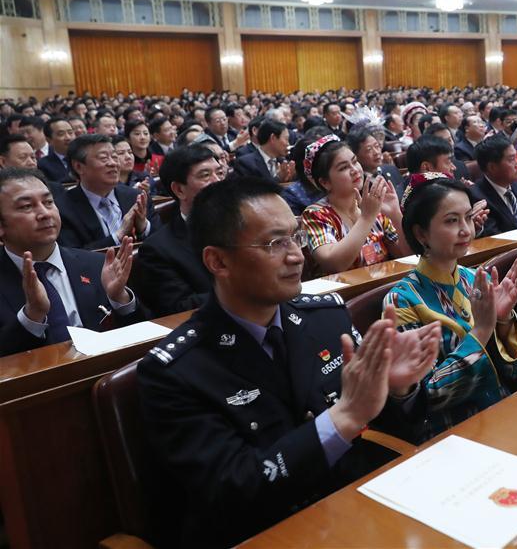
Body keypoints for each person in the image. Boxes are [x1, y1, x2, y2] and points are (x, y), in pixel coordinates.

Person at [137, 177, 440, 547]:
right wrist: (343, 418)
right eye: (274, 243)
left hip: (354, 511)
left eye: (295, 237)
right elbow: (231, 490)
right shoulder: (174, 371)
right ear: (218, 261)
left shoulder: (326, 317)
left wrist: (397, 390)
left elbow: (392, 431)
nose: (297, 255)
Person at [383, 173, 517, 442]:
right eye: (452, 220)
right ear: (420, 233)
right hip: (450, 433)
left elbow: (515, 371)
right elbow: (431, 395)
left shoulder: (475, 278)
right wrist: (483, 330)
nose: (466, 230)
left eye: (469, 218)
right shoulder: (402, 300)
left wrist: (503, 321)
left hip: (505, 413)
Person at [0, 168, 143, 356]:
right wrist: (31, 316)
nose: (44, 213)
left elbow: (141, 338)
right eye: (26, 206)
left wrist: (120, 300)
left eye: (48, 202)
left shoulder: (97, 265)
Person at [299, 135, 411, 275]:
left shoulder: (373, 205)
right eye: (343, 167)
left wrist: (395, 214)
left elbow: (408, 256)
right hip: (344, 295)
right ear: (324, 182)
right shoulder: (316, 214)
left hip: (385, 288)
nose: (355, 170)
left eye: (355, 161)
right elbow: (334, 264)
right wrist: (366, 218)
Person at [133, 146, 222, 316]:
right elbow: (179, 309)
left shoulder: (250, 226)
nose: (217, 181)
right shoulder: (158, 249)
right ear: (179, 190)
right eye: (205, 175)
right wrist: (244, 288)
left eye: (219, 173)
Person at [58, 134, 159, 250]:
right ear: (79, 167)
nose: (113, 163)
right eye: (104, 158)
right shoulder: (63, 209)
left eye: (115, 157)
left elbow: (162, 242)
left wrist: (143, 227)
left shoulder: (136, 197)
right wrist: (118, 236)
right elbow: (73, 255)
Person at [470, 135, 517, 237]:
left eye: (516, 157)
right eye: (511, 159)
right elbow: (495, 238)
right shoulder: (477, 198)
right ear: (492, 167)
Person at [37, 117, 76, 182]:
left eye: (70, 132)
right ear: (49, 140)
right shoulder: (43, 165)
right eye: (61, 134)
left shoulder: (85, 158)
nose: (68, 138)